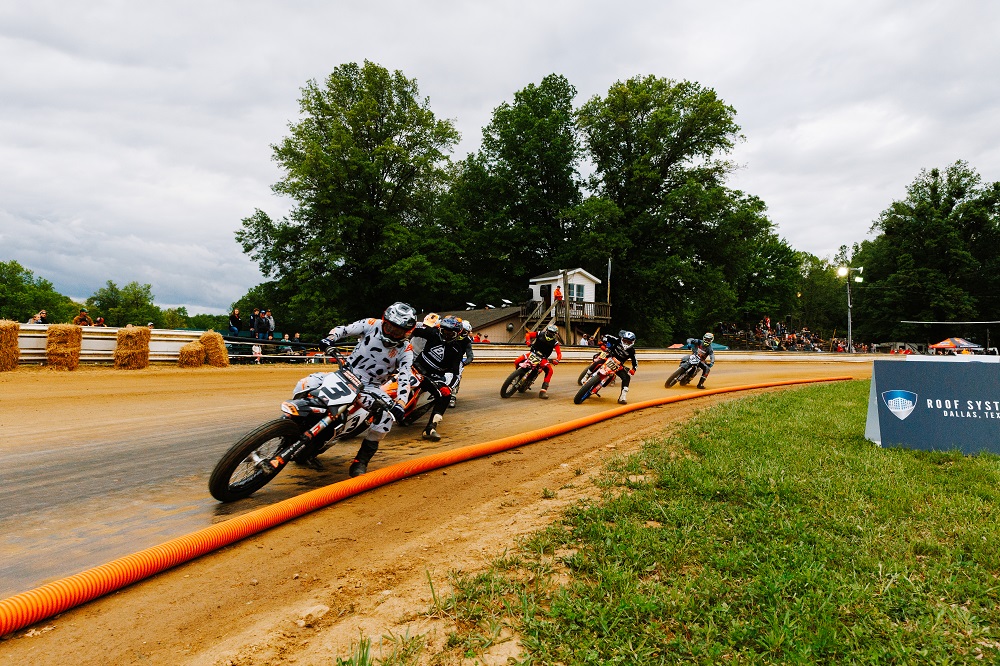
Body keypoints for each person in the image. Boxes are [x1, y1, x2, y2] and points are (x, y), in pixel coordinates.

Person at [319, 302, 417, 477]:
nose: (392, 333)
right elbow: (345, 329)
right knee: (307, 383)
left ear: (407, 332)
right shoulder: (372, 324)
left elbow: (404, 377)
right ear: (383, 321)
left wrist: (401, 404)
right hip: (346, 372)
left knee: (387, 416)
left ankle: (361, 461)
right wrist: (330, 338)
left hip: (370, 388)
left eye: (398, 331)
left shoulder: (406, 350)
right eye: (389, 327)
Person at [410, 315, 467, 440]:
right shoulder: (433, 333)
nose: (446, 335)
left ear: (457, 334)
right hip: (413, 368)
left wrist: (449, 387)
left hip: (431, 377)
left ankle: (430, 428)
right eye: (444, 331)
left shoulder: (457, 350)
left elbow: (456, 373)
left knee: (445, 395)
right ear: (440, 329)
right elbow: (413, 330)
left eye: (450, 333)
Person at [516, 324, 562, 399]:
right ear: (547, 331)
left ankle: (543, 391)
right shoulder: (540, 334)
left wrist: (557, 360)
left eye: (552, 333)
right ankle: (517, 375)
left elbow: (559, 353)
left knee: (550, 371)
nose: (550, 334)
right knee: (517, 361)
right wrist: (528, 341)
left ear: (555, 334)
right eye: (549, 332)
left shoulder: (555, 343)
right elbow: (528, 334)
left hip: (543, 358)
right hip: (532, 353)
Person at [598, 330, 638, 403]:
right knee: (598, 359)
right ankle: (587, 374)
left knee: (627, 377)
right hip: (609, 355)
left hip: (618, 364)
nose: (626, 343)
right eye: (625, 341)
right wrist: (602, 342)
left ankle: (623, 396)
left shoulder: (632, 351)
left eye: (628, 342)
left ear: (632, 342)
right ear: (622, 339)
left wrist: (633, 370)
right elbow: (607, 336)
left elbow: (635, 362)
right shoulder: (617, 340)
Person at [448, 319, 475, 408]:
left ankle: (453, 396)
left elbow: (470, 356)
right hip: (445, 358)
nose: (463, 333)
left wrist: (463, 363)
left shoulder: (467, 341)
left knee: (457, 375)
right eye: (462, 330)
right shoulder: (449, 335)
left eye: (465, 331)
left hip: (457, 362)